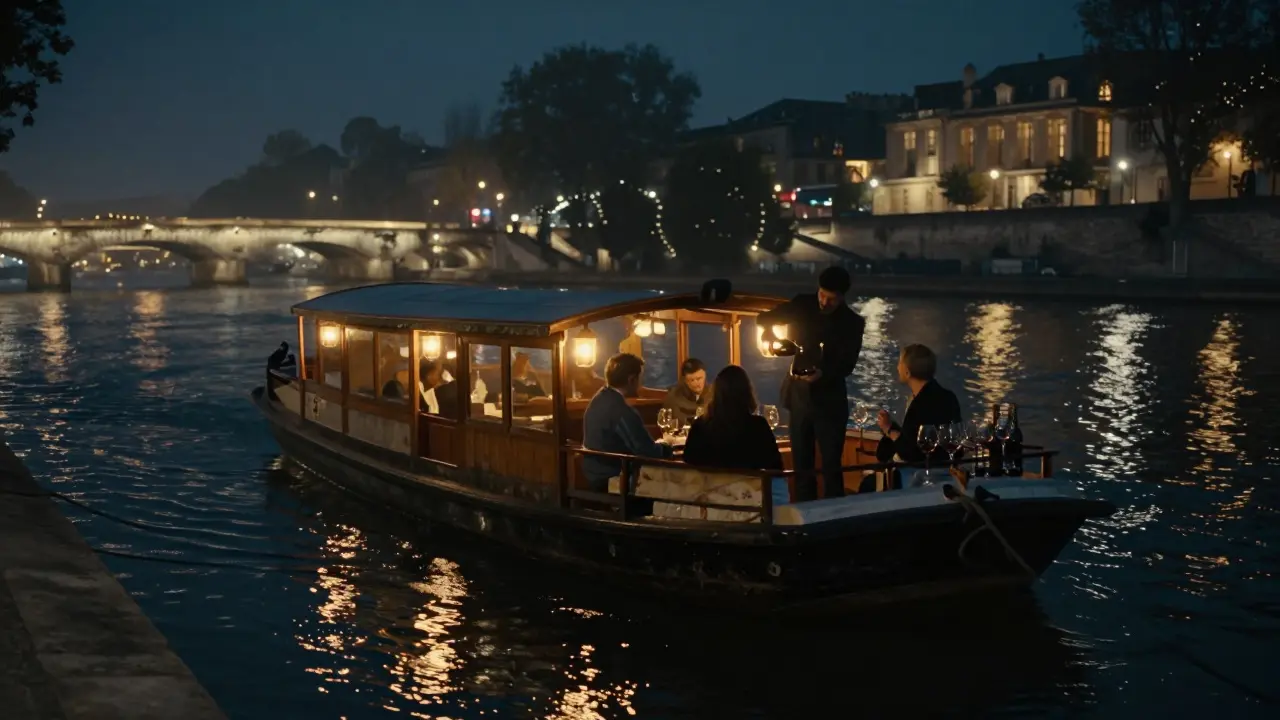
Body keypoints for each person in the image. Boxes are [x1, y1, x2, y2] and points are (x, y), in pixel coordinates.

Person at [755, 265, 866, 501]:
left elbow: (848, 365)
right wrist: (769, 334)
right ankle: (804, 515)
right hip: (799, 396)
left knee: (831, 468)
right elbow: (766, 317)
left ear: (843, 297)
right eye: (822, 295)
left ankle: (833, 516)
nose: (824, 302)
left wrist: (823, 374)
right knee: (801, 467)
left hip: (830, 402)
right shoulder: (802, 305)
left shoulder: (852, 323)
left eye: (831, 299)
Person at [582, 353, 673, 492]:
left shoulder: (599, 398)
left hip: (593, 474)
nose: (640, 384)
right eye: (640, 378)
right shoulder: (620, 410)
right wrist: (668, 445)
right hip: (613, 478)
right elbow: (647, 452)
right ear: (631, 379)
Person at [875, 344, 962, 487]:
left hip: (921, 474)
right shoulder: (948, 397)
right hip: (948, 472)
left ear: (908, 372)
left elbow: (910, 452)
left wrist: (889, 429)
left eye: (899, 364)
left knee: (867, 484)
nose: (897, 368)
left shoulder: (920, 404)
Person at [683, 365, 783, 471]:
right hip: (748, 486)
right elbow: (775, 467)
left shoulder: (700, 425)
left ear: (716, 393)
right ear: (747, 393)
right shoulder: (758, 426)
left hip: (709, 486)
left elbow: (689, 463)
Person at [661, 357, 708, 425]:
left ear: (705, 376)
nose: (696, 383)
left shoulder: (713, 394)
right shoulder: (673, 398)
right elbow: (671, 425)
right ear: (685, 380)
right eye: (691, 380)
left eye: (699, 378)